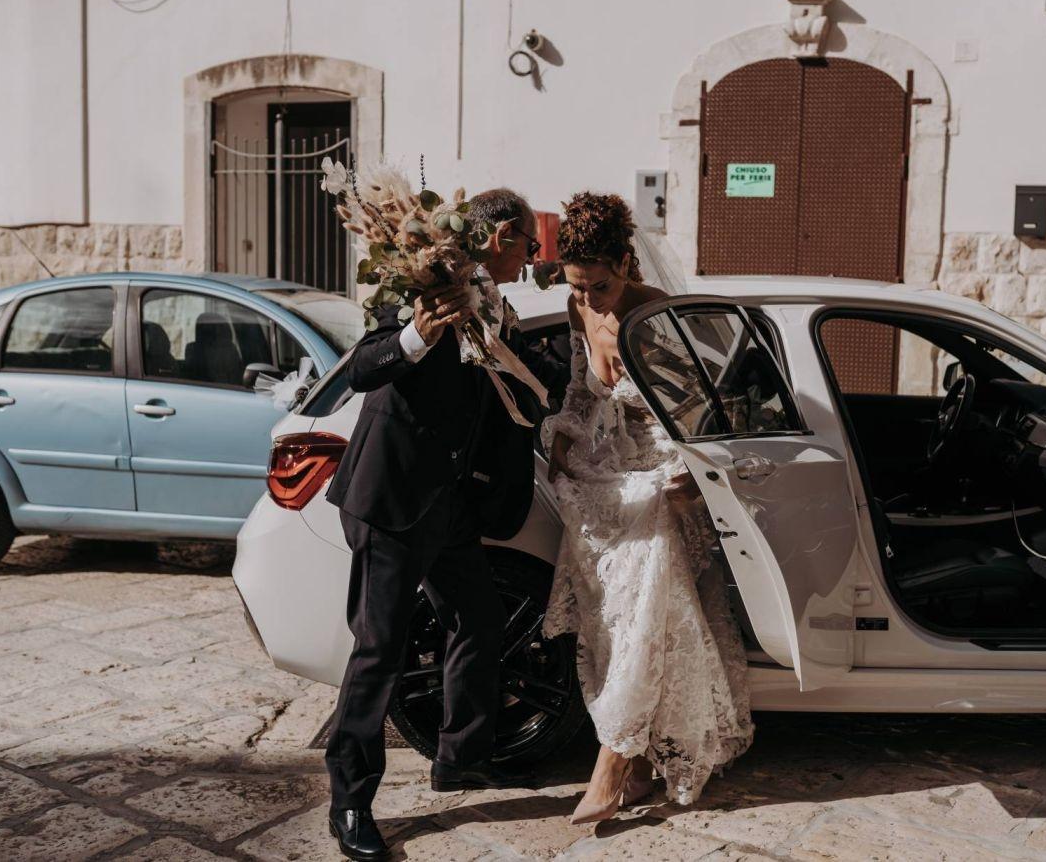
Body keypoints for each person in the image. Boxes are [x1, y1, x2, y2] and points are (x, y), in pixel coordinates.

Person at [322, 188, 546, 861]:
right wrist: (417, 334)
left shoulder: (495, 303)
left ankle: (460, 758)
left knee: (479, 618)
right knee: (379, 649)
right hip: (393, 498)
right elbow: (364, 368)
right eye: (529, 243)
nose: (531, 256)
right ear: (501, 236)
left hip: (449, 503)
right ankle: (350, 801)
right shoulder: (420, 282)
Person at [540, 192, 753, 824]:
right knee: (612, 626)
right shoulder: (578, 308)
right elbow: (582, 390)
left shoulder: (661, 316)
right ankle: (635, 770)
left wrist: (695, 475)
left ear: (626, 264)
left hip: (663, 480)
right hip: (604, 478)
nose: (590, 299)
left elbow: (713, 404)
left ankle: (610, 766)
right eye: (577, 286)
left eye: (600, 285)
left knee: (645, 619)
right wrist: (562, 438)